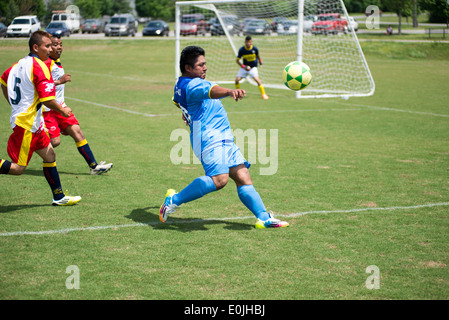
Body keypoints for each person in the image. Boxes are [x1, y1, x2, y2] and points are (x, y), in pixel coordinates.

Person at [160, 46, 288, 229]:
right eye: (200, 65)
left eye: (205, 64)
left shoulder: (181, 84)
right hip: (209, 138)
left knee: (243, 175)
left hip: (223, 137)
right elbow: (212, 90)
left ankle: (263, 217)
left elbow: (177, 101)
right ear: (188, 68)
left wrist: (187, 112)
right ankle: (174, 199)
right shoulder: (194, 84)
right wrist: (230, 91)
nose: (205, 68)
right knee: (219, 180)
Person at [0, 31, 81, 206]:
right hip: (26, 124)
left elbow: (4, 82)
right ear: (36, 47)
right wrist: (63, 110)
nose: (51, 49)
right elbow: (47, 100)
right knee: (18, 169)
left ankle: (58, 197)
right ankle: (58, 196)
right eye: (47, 46)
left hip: (33, 123)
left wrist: (14, 105)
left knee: (50, 154)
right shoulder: (40, 66)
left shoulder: (18, 64)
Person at [43, 35, 113, 175]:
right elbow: (41, 84)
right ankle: (26, 146)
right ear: (49, 47)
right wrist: (60, 81)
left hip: (61, 107)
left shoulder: (56, 61)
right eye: (55, 45)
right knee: (55, 142)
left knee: (77, 131)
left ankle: (94, 166)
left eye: (61, 44)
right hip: (48, 109)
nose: (59, 47)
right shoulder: (45, 63)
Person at [235, 36, 269, 100]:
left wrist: (260, 63)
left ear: (251, 42)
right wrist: (244, 67)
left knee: (257, 80)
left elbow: (258, 56)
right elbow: (237, 61)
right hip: (244, 68)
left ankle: (263, 94)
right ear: (245, 42)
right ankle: (237, 94)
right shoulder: (242, 50)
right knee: (237, 80)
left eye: (249, 42)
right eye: (247, 42)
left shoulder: (255, 49)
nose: (248, 43)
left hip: (253, 68)